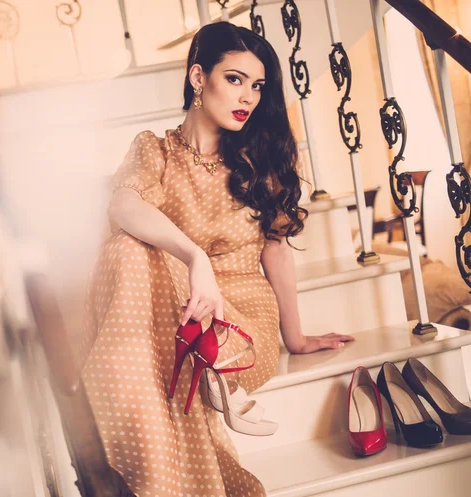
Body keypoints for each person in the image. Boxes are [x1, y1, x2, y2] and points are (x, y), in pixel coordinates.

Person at [78, 22, 354, 497]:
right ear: (198, 77)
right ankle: (169, 443)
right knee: (130, 243)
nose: (248, 96)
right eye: (234, 79)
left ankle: (135, 459)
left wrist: (295, 336)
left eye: (257, 85)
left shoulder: (258, 161)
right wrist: (194, 259)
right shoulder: (154, 150)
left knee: (145, 273)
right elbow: (122, 206)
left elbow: (277, 251)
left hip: (241, 320)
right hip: (174, 313)